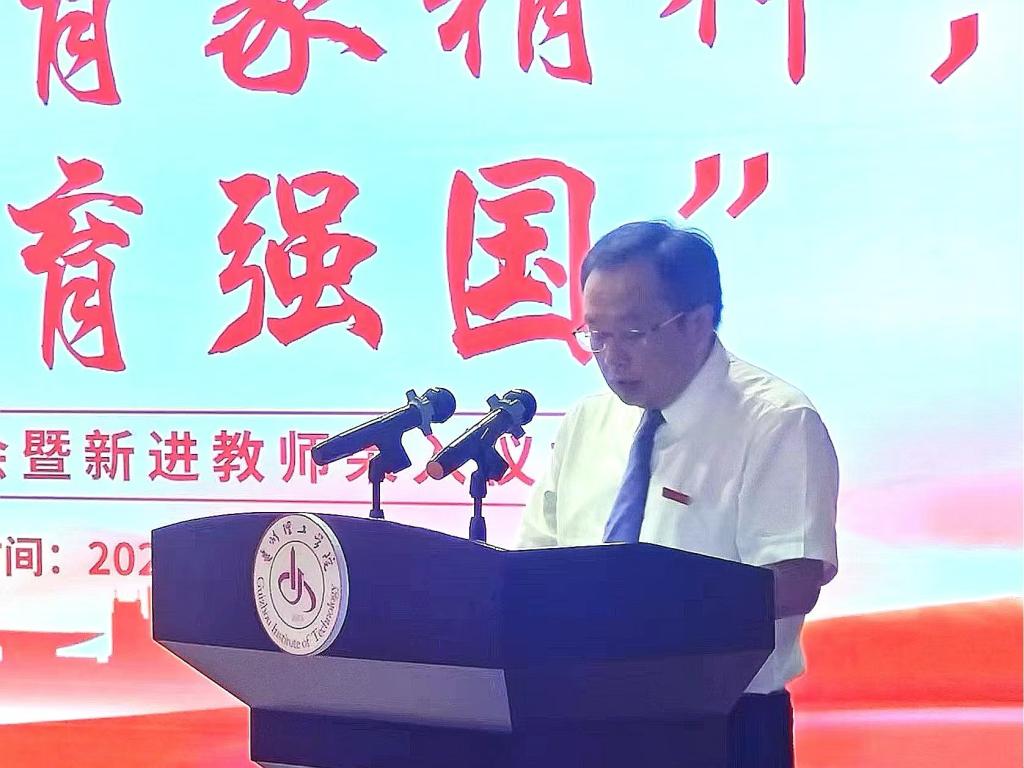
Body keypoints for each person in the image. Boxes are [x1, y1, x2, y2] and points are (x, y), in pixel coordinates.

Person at [516, 220, 839, 768]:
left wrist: (647, 616)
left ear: (697, 322)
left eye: (632, 333)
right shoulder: (587, 421)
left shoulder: (776, 421)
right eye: (595, 334)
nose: (611, 356)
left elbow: (791, 582)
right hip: (582, 717)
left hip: (721, 725)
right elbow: (536, 562)